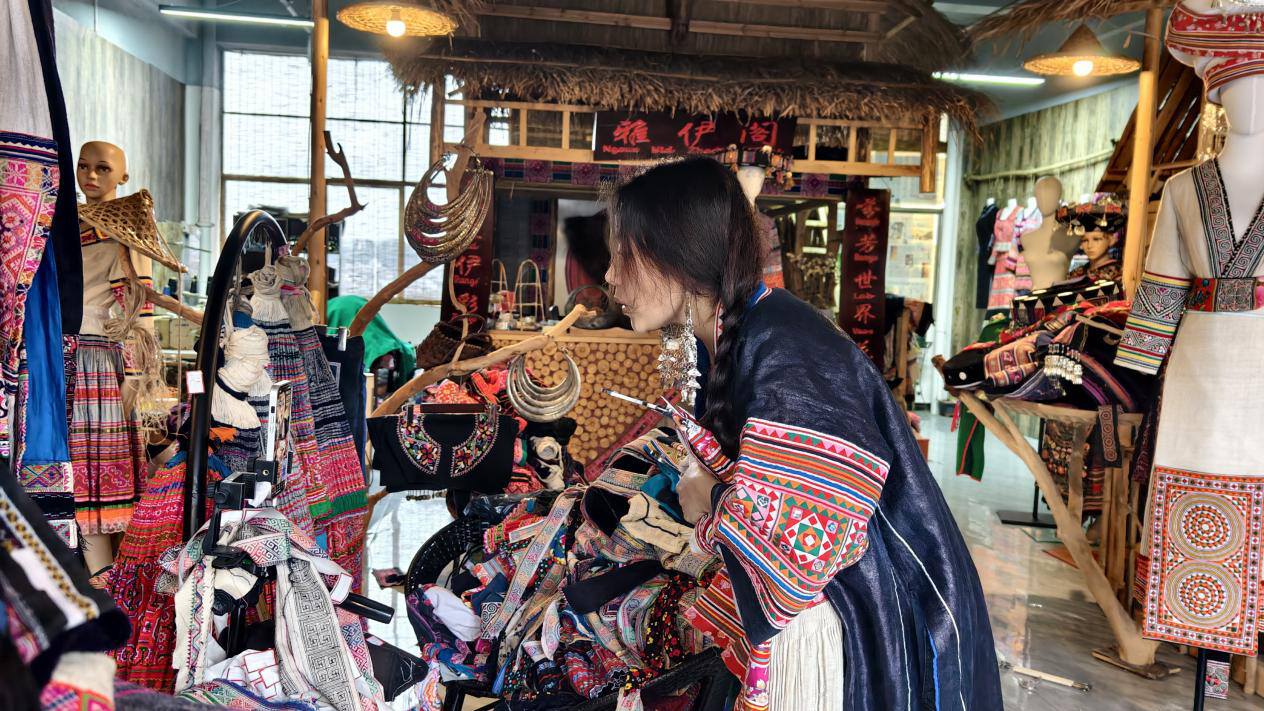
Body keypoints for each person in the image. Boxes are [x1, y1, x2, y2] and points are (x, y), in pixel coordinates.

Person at [605, 157, 1002, 711]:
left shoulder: (786, 349)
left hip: (883, 612)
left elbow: (804, 545)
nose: (610, 277)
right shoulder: (730, 330)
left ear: (678, 254)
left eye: (623, 255)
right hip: (849, 597)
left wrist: (711, 500)